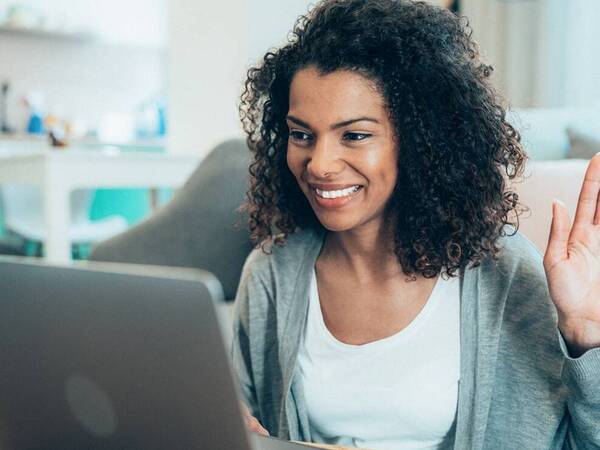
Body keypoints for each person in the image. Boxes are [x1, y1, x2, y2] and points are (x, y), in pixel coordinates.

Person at [232, 1, 600, 448]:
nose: (319, 164)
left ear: (420, 139)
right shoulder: (273, 271)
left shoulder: (504, 277)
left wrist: (584, 337)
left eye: (355, 135)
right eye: (302, 134)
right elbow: (241, 418)